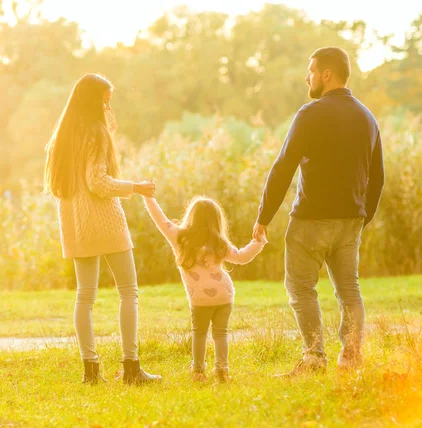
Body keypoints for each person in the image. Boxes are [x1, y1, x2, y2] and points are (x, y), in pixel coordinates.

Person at [253, 47, 385, 375]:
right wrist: (361, 216)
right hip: (349, 220)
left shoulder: (310, 114)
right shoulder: (367, 118)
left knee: (300, 288)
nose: (307, 77)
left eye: (311, 70)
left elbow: (284, 166)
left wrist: (264, 216)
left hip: (310, 220)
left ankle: (313, 358)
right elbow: (378, 177)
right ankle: (351, 356)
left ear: (327, 74)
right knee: (348, 289)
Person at [44, 73, 161, 385]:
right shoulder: (95, 133)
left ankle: (91, 371)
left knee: (85, 296)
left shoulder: (62, 136)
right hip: (104, 221)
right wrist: (135, 187)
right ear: (92, 99)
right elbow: (97, 182)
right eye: (105, 100)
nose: (109, 106)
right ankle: (132, 368)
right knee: (129, 291)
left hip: (76, 226)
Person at [144, 195, 267, 382]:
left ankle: (199, 373)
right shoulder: (219, 243)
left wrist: (148, 197)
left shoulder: (179, 238)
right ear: (216, 220)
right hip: (224, 296)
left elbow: (160, 219)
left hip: (199, 299)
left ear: (191, 216)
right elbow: (242, 257)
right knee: (221, 334)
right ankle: (222, 371)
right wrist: (259, 242)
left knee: (199, 334)